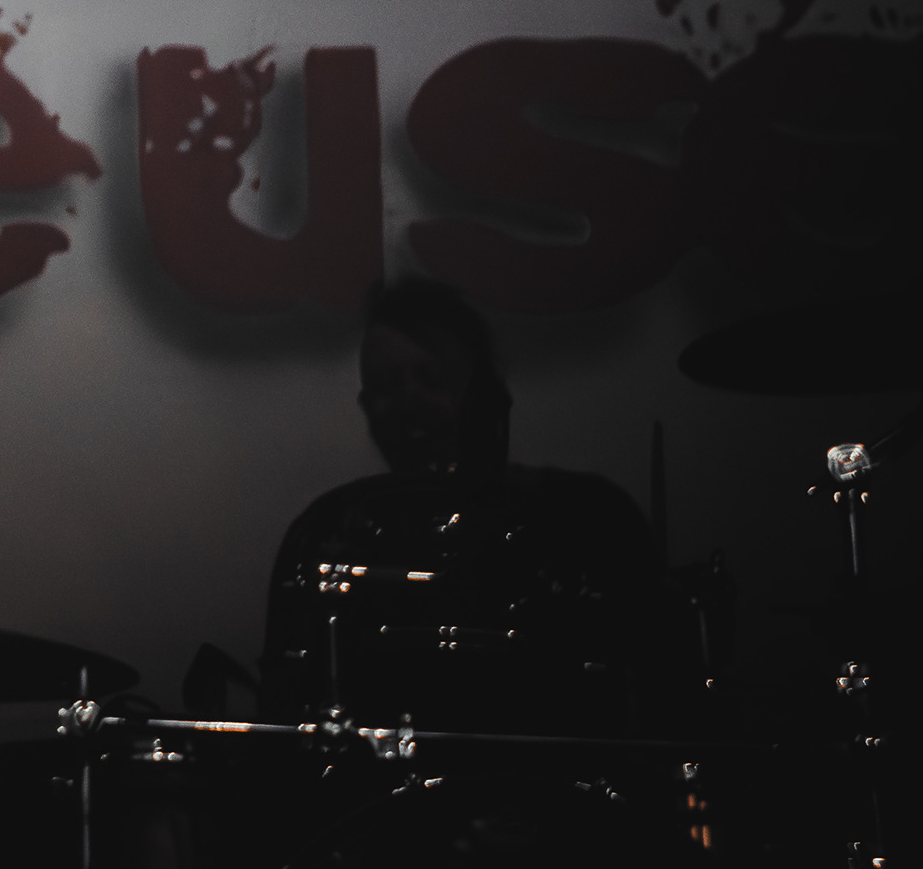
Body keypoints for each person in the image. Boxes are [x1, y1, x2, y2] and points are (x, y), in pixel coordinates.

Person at [259, 278, 668, 733]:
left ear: (490, 398)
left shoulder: (591, 517)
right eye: (386, 386)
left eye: (432, 380)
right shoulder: (330, 531)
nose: (409, 403)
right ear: (366, 406)